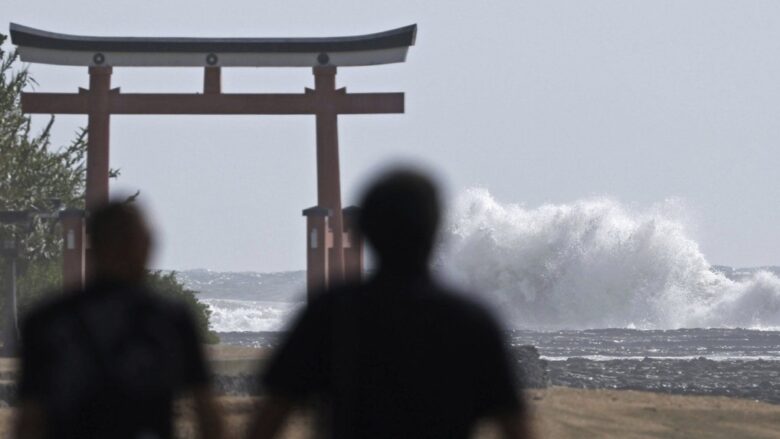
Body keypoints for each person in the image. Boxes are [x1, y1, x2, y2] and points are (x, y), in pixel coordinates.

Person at [249, 169, 533, 439]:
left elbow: (270, 417)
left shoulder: (330, 312)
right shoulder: (472, 322)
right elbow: (515, 427)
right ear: (437, 233)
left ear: (363, 231)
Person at [15, 202, 222, 439]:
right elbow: (207, 412)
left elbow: (30, 420)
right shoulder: (170, 318)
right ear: (142, 247)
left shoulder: (47, 319)